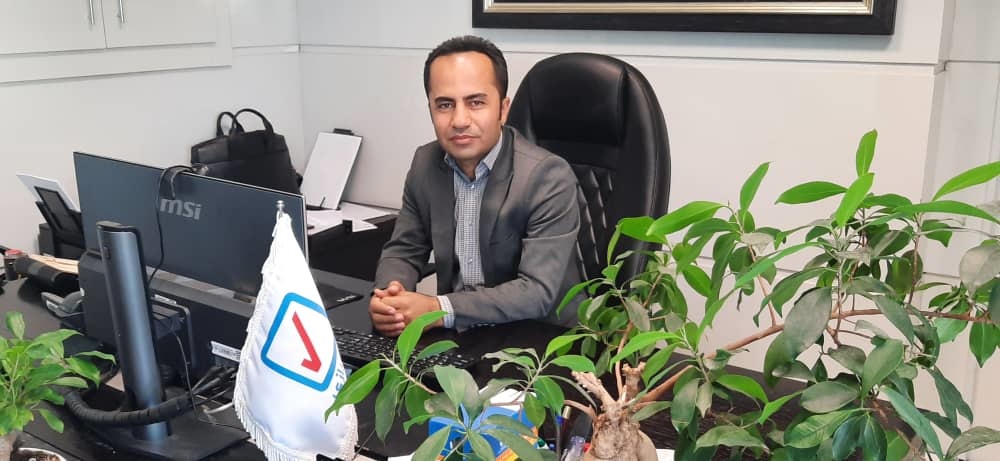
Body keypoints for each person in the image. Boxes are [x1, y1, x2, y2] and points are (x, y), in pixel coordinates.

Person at [369, 35, 582, 336]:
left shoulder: (547, 176)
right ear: (430, 109)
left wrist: (436, 309)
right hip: (460, 335)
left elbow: (536, 292)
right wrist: (390, 298)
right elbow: (403, 250)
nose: (459, 120)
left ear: (503, 109)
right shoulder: (425, 163)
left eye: (476, 102)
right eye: (445, 105)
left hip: (539, 338)